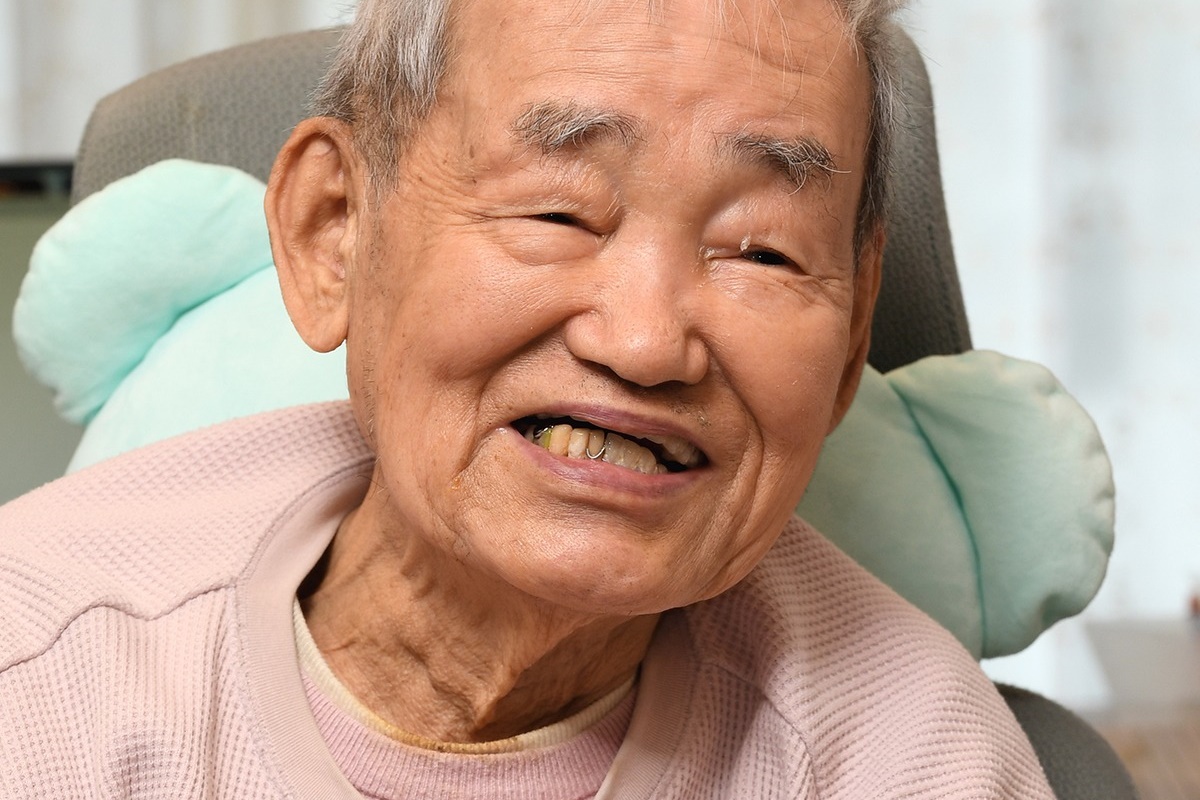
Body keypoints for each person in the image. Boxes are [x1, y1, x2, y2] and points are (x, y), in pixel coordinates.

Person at [0, 0, 1055, 796]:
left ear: (852, 337)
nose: (645, 343)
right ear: (335, 231)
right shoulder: (37, 671)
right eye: (559, 211)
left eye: (763, 252)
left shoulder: (918, 756)